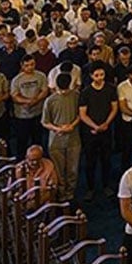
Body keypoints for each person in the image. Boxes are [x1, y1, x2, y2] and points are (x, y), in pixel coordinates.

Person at [78, 61, 117, 195]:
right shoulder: (86, 92)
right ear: (91, 76)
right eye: (97, 75)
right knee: (90, 161)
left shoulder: (111, 89)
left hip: (106, 130)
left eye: (102, 75)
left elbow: (114, 108)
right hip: (90, 132)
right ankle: (90, 188)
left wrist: (106, 123)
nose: (100, 78)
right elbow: (82, 114)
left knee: (106, 160)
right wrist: (95, 126)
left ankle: (106, 185)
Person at [41, 73, 81, 202]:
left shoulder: (76, 96)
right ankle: (61, 193)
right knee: (58, 170)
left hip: (73, 139)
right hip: (56, 141)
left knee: (72, 169)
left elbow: (81, 114)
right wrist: (57, 128)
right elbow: (45, 122)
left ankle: (70, 193)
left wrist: (71, 125)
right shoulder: (50, 100)